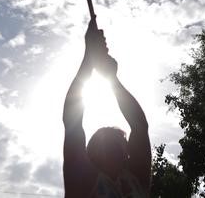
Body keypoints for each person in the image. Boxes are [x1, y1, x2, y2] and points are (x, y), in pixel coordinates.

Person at [63, 21, 151, 198]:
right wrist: (89, 56)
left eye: (117, 144)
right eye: (108, 145)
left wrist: (112, 78)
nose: (113, 148)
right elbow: (72, 121)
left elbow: (140, 126)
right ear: (91, 156)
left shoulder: (135, 181)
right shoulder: (84, 181)